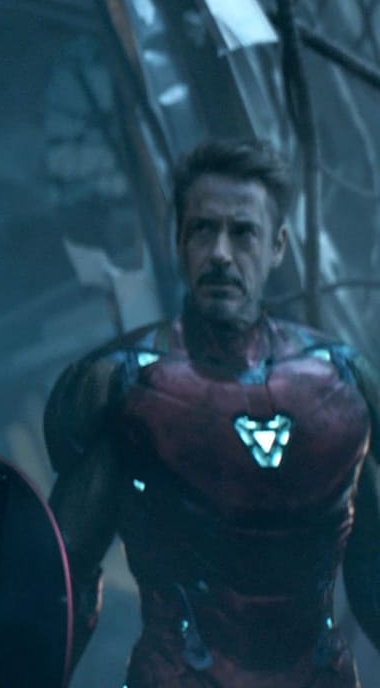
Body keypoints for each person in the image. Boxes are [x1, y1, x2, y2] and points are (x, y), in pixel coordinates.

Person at [45, 137, 380, 686]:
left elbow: (374, 572)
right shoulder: (123, 390)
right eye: (204, 230)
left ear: (277, 246)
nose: (221, 253)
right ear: (179, 240)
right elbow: (62, 582)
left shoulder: (342, 386)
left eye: (242, 232)